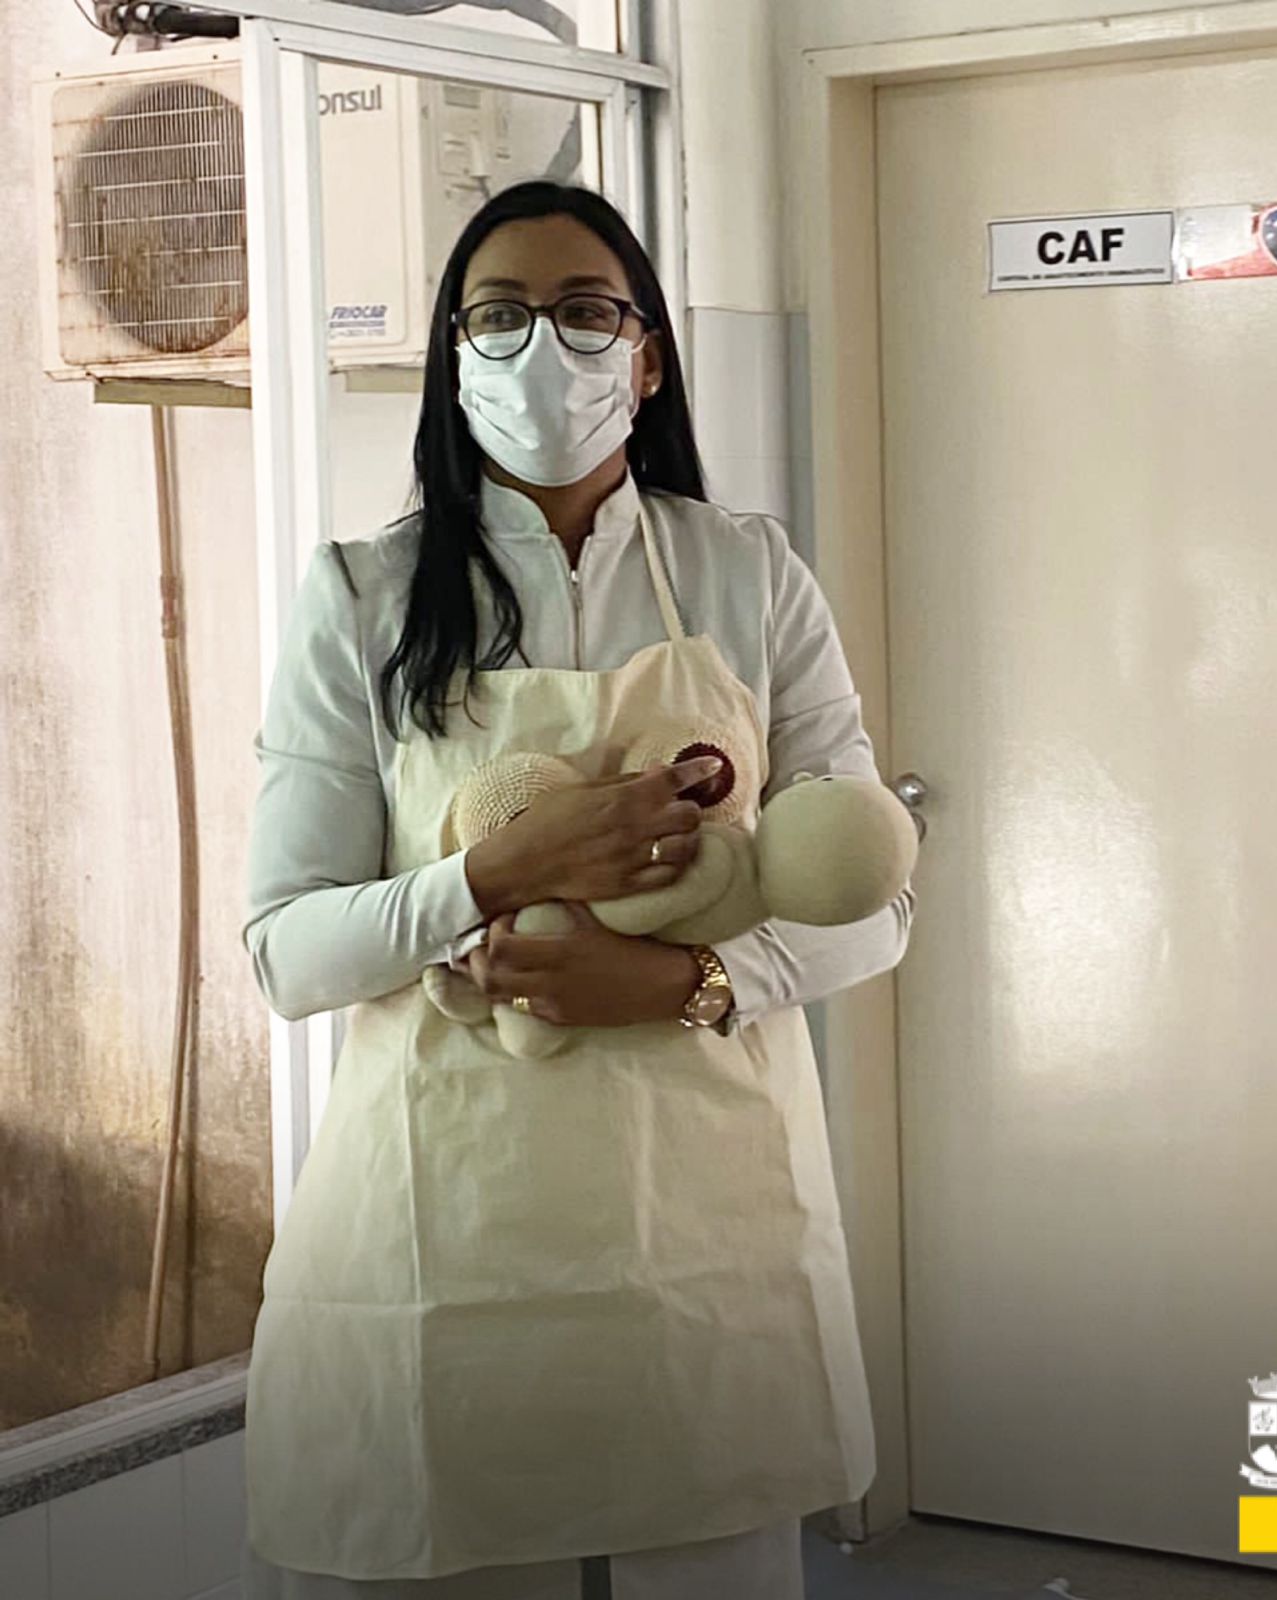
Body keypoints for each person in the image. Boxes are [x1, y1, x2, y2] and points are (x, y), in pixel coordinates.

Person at [236, 179, 916, 1600]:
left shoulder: (749, 577)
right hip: (444, 1227)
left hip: (704, 1224)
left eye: (585, 311)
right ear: (453, 355)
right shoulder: (364, 597)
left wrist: (687, 980)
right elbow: (288, 955)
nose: (542, 349)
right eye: (500, 315)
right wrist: (495, 875)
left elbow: (870, 898)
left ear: (647, 356)